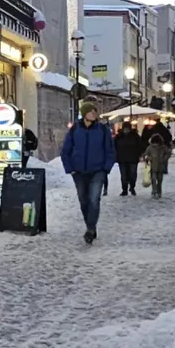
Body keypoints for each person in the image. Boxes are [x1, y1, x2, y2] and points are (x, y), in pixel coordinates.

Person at [61, 101, 116, 244]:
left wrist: (106, 168)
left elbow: (110, 150)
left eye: (94, 111)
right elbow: (65, 151)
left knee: (94, 199)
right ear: (84, 113)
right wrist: (70, 169)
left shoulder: (102, 130)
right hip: (78, 172)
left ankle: (90, 229)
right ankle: (90, 225)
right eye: (91, 111)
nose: (94, 114)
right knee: (83, 200)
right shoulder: (75, 129)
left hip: (98, 171)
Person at [114, 121, 142, 196]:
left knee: (133, 175)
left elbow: (140, 145)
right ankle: (124, 190)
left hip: (133, 159)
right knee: (124, 176)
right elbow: (114, 147)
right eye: (125, 128)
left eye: (127, 128)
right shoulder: (118, 137)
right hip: (122, 159)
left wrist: (139, 154)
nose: (126, 130)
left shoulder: (135, 136)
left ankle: (132, 187)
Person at [142, 132, 171, 198]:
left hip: (161, 166)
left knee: (159, 180)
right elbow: (145, 155)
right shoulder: (150, 147)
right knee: (154, 179)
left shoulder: (163, 147)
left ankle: (159, 191)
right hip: (153, 167)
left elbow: (167, 154)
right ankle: (154, 191)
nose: (156, 144)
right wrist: (149, 158)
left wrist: (164, 159)